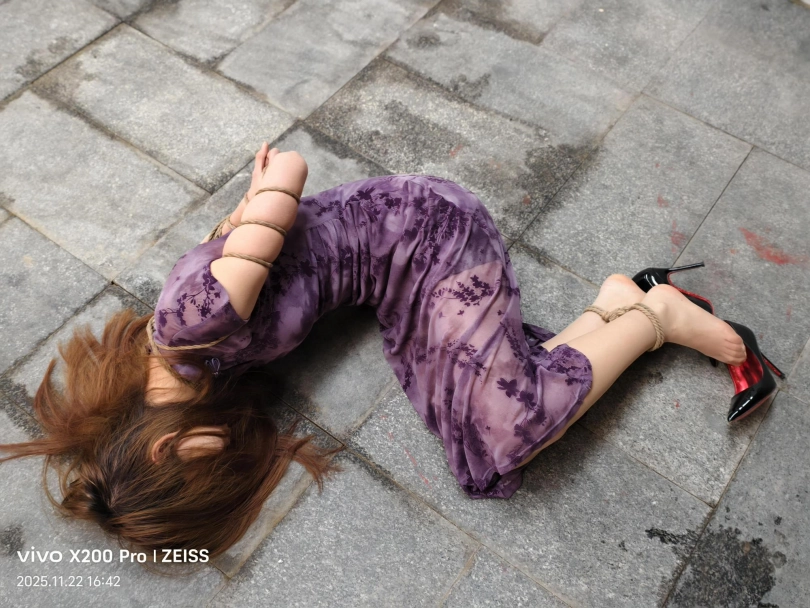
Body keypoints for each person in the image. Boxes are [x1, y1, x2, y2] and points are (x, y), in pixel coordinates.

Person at [1, 144, 753, 560]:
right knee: (480, 442)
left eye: (204, 471)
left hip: (428, 231)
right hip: (392, 279)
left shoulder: (189, 324)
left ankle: (655, 316)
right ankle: (613, 306)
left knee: (508, 427)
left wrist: (266, 195)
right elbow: (226, 245)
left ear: (163, 449)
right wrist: (246, 219)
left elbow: (291, 166)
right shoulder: (191, 361)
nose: (224, 456)